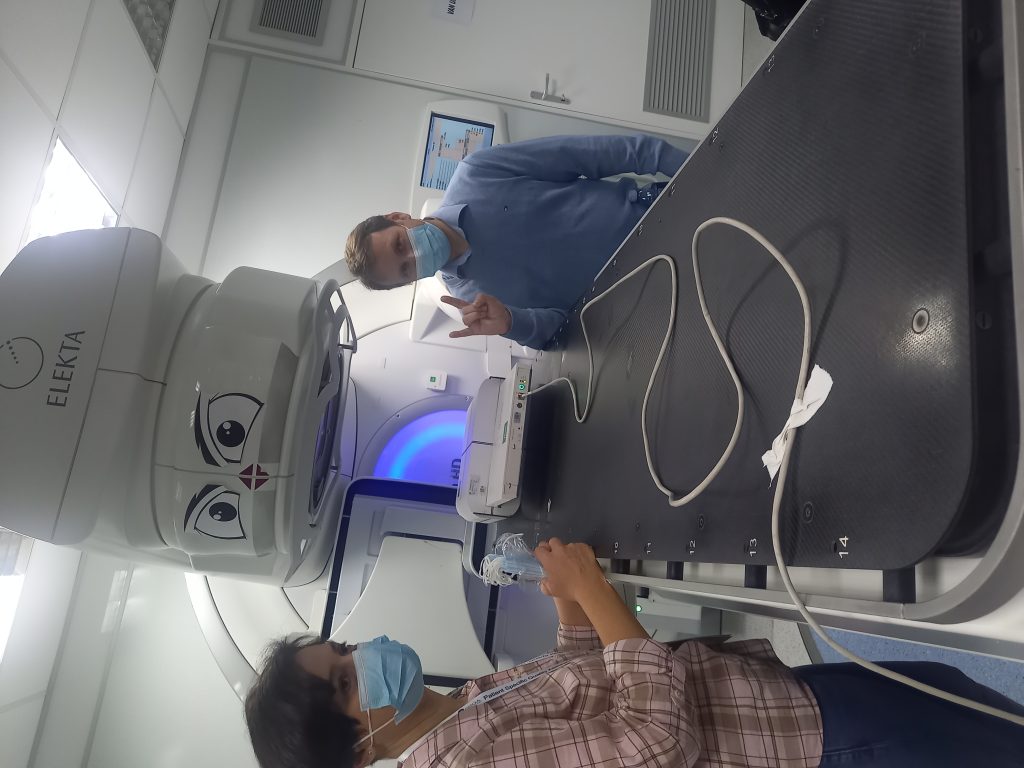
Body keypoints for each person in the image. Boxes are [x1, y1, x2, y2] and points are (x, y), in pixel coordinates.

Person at [244, 539, 1024, 768]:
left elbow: (583, 690)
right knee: (986, 737)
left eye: (345, 648)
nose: (366, 655)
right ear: (360, 749)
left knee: (949, 688)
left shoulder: (462, 708)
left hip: (774, 702)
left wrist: (567, 607)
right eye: (347, 681)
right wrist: (598, 595)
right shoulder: (467, 762)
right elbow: (652, 745)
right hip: (801, 748)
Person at [343, 135, 687, 349]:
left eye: (400, 245)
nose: (416, 255)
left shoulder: (476, 173)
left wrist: (697, 165)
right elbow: (561, 332)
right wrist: (511, 323)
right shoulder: (473, 301)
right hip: (653, 296)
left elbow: (588, 154)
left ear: (399, 218)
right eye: (406, 269)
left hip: (662, 213)